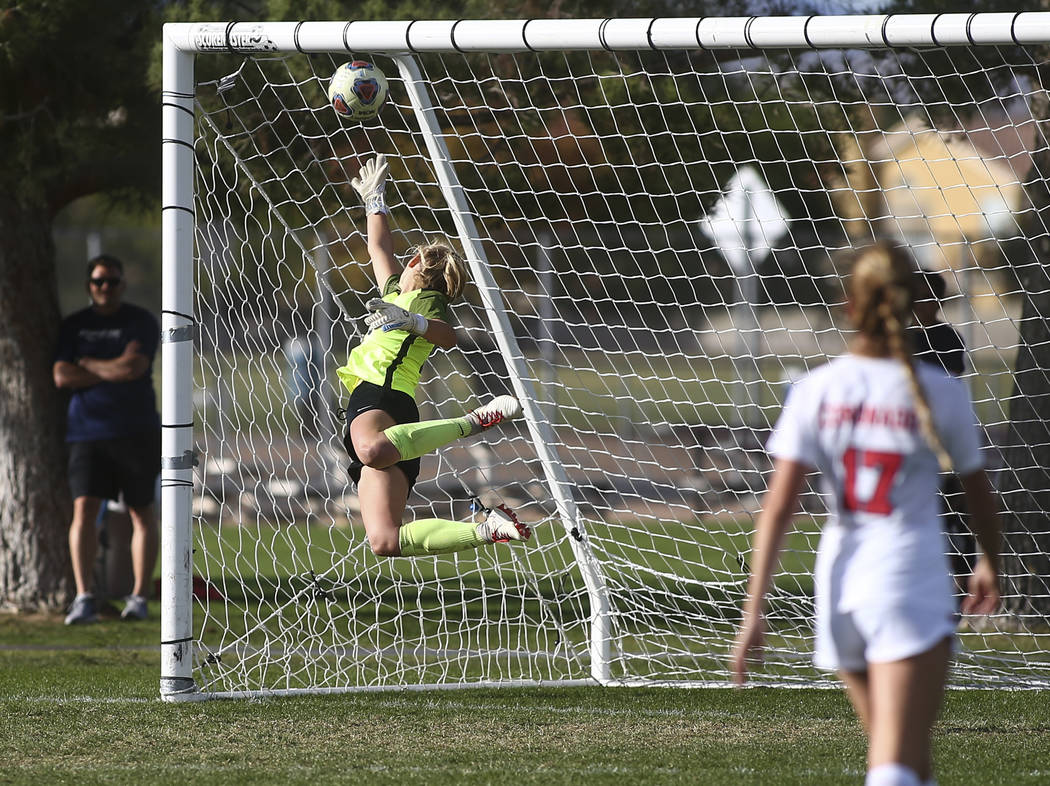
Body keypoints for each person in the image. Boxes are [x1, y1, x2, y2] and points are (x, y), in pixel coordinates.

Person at [731, 243, 1001, 786]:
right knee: (895, 765)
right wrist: (988, 561)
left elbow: (778, 509)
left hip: (838, 587)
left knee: (907, 759)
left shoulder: (814, 389)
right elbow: (978, 490)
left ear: (849, 306)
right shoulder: (941, 393)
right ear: (910, 304)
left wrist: (752, 611)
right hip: (908, 582)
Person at [338, 154, 530, 558]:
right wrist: (375, 198)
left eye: (408, 261)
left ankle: (475, 421)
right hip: (396, 423)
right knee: (385, 540)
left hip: (382, 394)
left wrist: (411, 321)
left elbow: (449, 337)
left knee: (369, 450)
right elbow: (377, 246)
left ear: (415, 265)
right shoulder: (395, 292)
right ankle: (488, 528)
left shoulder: (427, 299)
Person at [53, 255, 161, 624]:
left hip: (135, 430)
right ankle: (84, 597)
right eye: (99, 282)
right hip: (86, 433)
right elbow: (62, 375)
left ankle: (139, 598)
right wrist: (108, 369)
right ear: (89, 285)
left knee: (140, 512)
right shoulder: (75, 326)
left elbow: (133, 367)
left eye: (112, 282)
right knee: (84, 510)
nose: (105, 288)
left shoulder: (139, 321)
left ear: (122, 285)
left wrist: (90, 365)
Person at [910, 269, 974, 602]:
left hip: (942, 441)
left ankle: (964, 583)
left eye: (922, 295)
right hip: (909, 442)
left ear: (936, 300)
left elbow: (947, 387)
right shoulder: (900, 338)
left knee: (952, 513)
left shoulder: (949, 338)